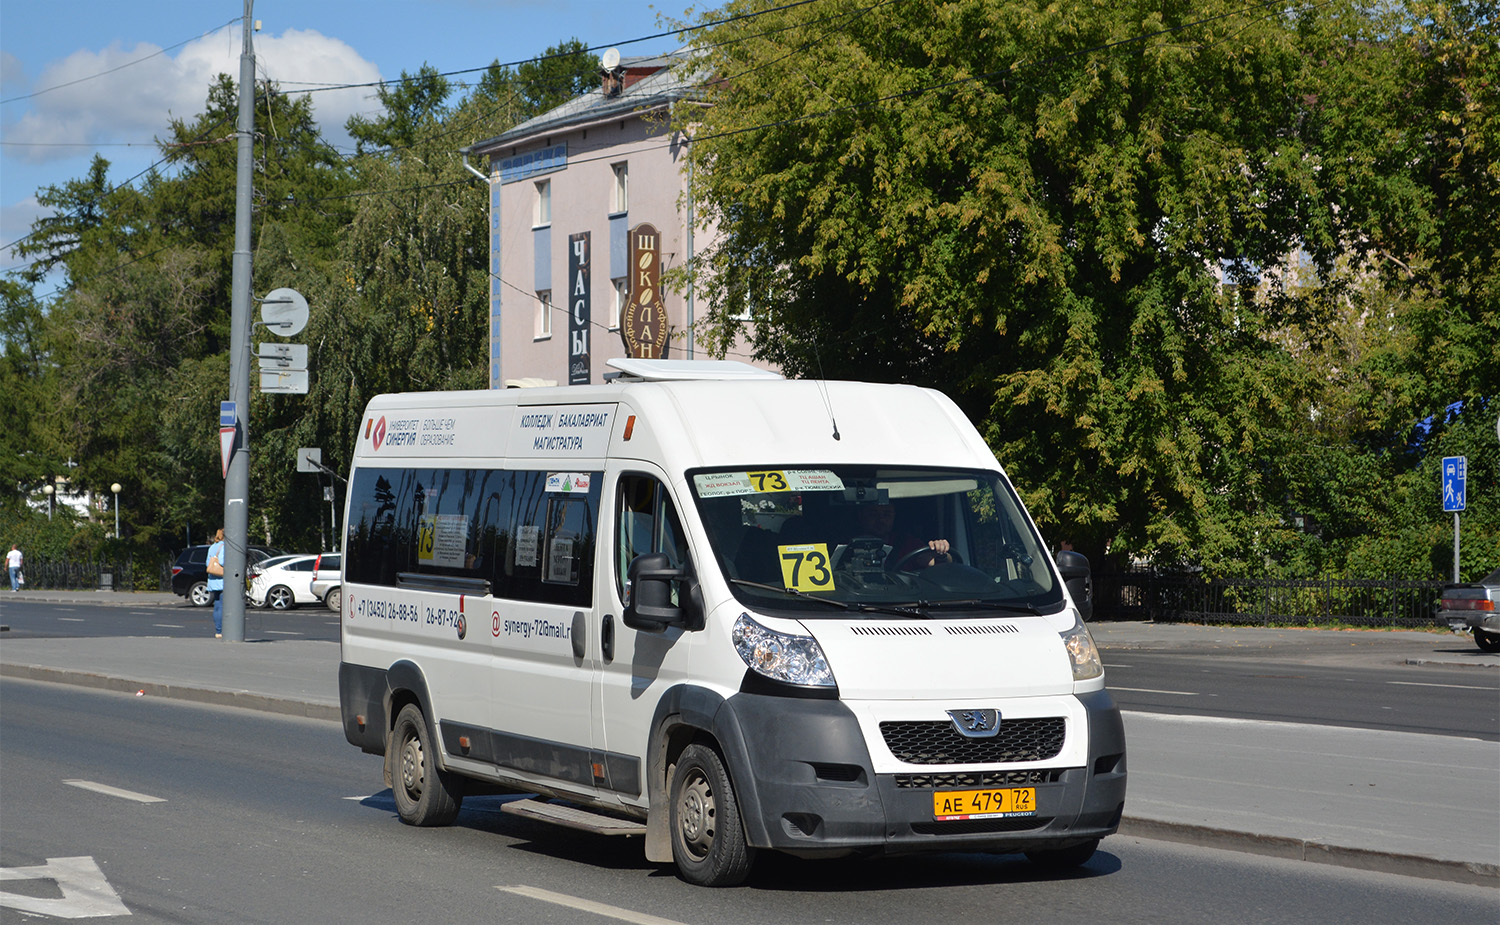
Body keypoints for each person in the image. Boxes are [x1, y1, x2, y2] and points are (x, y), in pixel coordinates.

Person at [845, 502, 950, 569]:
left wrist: (941, 553)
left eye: (887, 514)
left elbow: (932, 562)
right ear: (861, 516)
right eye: (873, 514)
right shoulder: (846, 546)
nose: (881, 520)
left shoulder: (909, 544)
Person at [206, 529, 226, 638]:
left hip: (213, 581)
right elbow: (222, 561)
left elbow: (207, 563)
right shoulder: (224, 546)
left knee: (217, 606)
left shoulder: (212, 547)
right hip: (222, 581)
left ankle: (218, 630)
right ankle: (223, 629)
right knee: (223, 605)